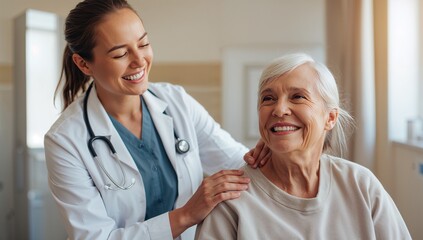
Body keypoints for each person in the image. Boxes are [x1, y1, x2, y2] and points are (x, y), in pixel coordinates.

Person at [43, 0, 269, 239]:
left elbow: (237, 162)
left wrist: (270, 155)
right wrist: (186, 215)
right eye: (120, 53)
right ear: (83, 63)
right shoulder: (65, 141)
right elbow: (95, 237)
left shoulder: (176, 102)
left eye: (144, 44)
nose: (139, 60)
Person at [195, 53, 411, 240]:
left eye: (298, 97)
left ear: (330, 117)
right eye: (268, 98)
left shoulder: (361, 185)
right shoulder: (231, 201)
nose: (279, 110)